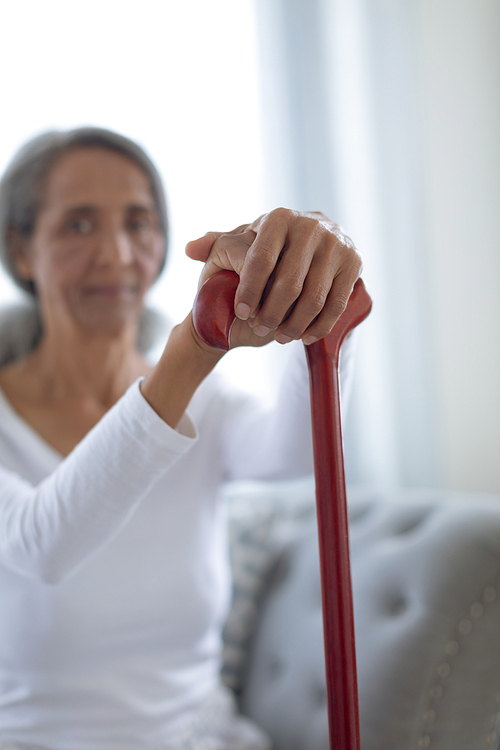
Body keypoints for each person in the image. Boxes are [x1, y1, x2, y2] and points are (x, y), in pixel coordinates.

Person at [0, 128, 362, 750]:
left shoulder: (210, 405)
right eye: (78, 226)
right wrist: (193, 347)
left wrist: (323, 299)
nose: (116, 253)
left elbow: (301, 453)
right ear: (22, 251)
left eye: (138, 224)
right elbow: (40, 548)